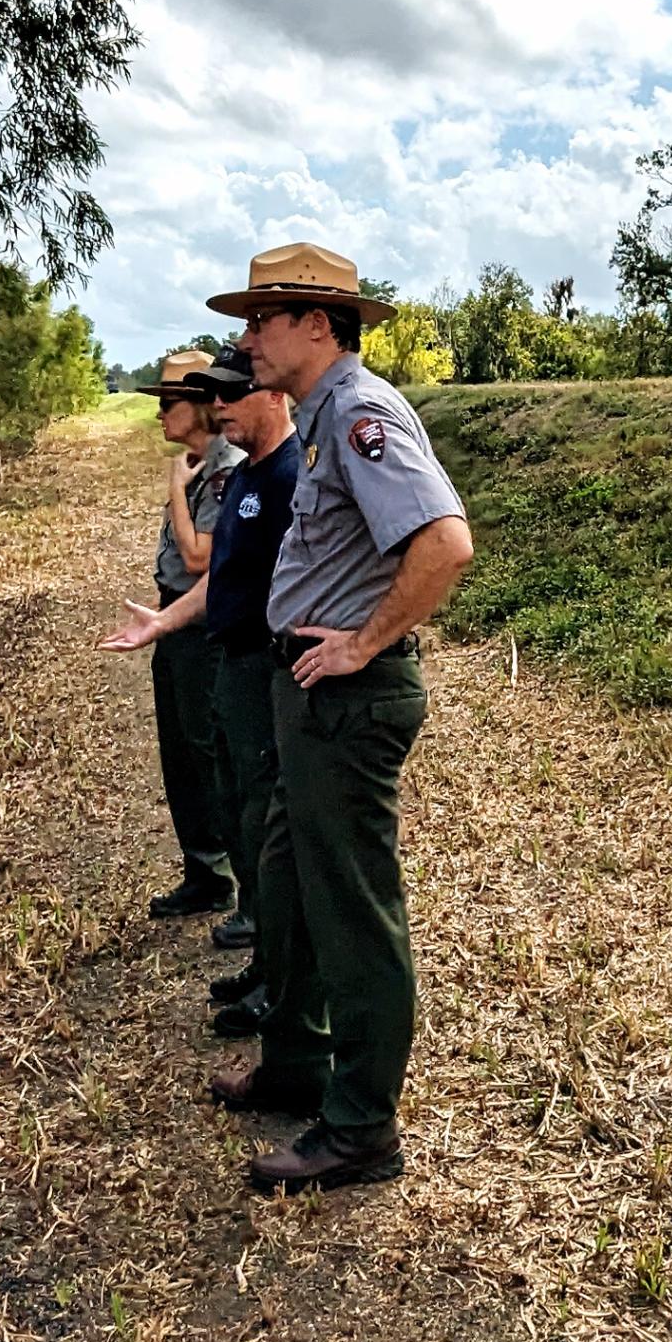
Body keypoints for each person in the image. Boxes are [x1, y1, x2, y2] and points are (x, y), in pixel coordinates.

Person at [202, 243, 473, 1195]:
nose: (247, 339)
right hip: (305, 692)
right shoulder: (322, 419)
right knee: (287, 880)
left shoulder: (359, 414)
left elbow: (444, 543)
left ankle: (360, 1126)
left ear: (318, 326)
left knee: (351, 909)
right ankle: (297, 1064)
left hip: (346, 698)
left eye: (262, 319)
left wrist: (363, 641)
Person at [102, 343, 299, 1034]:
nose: (217, 407)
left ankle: (277, 974)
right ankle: (264, 965)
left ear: (271, 393)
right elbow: (217, 576)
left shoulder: (271, 473)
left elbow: (205, 561)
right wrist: (162, 621)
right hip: (220, 641)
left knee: (261, 811)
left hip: (259, 657)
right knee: (225, 787)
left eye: (229, 392)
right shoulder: (246, 474)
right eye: (207, 394)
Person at [130, 350, 242, 917]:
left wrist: (177, 488)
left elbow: (201, 558)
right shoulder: (203, 464)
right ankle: (204, 870)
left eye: (168, 403)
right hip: (178, 618)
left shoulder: (221, 471)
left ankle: (224, 873)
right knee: (179, 752)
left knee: (205, 753)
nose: (160, 416)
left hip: (202, 626)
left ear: (199, 406)